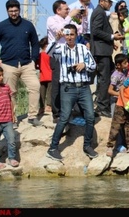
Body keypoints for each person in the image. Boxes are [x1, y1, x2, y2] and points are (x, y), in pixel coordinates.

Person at [46, 24, 97, 161]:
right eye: (67, 34)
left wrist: (84, 65)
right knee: (64, 117)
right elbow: (48, 52)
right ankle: (52, 148)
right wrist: (56, 39)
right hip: (68, 88)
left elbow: (93, 65)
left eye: (72, 34)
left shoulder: (82, 48)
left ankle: (87, 146)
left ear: (76, 35)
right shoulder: (60, 48)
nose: (69, 37)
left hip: (84, 87)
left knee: (91, 116)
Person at [0, 0, 42, 127]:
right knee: (11, 92)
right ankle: (13, 119)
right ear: (7, 11)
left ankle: (33, 116)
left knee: (35, 86)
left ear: (19, 10)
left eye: (16, 10)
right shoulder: (1, 26)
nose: (13, 13)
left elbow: (35, 43)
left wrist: (34, 59)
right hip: (7, 64)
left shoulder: (28, 25)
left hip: (26, 63)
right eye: (11, 11)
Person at [46, 0, 82, 123]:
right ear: (58, 10)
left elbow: (80, 30)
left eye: (68, 9)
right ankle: (56, 113)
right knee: (57, 83)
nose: (68, 11)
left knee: (70, 81)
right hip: (56, 54)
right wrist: (70, 17)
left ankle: (70, 109)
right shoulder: (52, 19)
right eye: (66, 9)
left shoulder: (69, 19)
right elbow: (59, 30)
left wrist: (81, 19)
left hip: (70, 54)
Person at [90, 0, 121, 118]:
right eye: (109, 2)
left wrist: (110, 41)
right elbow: (96, 31)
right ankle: (102, 106)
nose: (110, 4)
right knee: (105, 78)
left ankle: (104, 103)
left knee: (108, 76)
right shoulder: (99, 12)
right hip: (101, 51)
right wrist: (112, 36)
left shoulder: (100, 12)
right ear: (102, 1)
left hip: (103, 49)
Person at [0, 65, 19, 170]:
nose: (1, 77)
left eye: (2, 75)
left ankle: (12, 158)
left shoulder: (6, 87)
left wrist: (13, 114)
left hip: (7, 120)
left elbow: (10, 101)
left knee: (11, 139)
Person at [106, 53, 129, 157]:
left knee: (123, 122)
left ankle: (123, 143)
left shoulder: (124, 73)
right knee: (117, 124)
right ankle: (118, 145)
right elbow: (110, 90)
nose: (127, 64)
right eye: (125, 63)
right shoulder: (115, 75)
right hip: (115, 102)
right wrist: (120, 94)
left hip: (122, 101)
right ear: (118, 65)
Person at [36, 36, 52, 114]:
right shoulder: (50, 54)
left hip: (42, 76)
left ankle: (41, 107)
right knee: (50, 91)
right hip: (50, 75)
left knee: (42, 92)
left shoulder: (39, 55)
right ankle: (49, 106)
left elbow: (36, 65)